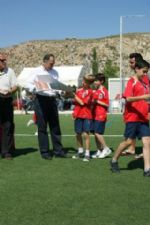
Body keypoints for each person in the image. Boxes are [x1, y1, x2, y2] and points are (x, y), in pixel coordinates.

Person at [110, 60, 150, 177]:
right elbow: (127, 99)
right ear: (137, 69)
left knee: (147, 142)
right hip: (132, 117)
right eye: (144, 71)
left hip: (143, 118)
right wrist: (144, 97)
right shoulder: (131, 82)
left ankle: (147, 169)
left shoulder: (145, 83)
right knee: (128, 142)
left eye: (147, 72)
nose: (145, 74)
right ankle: (114, 160)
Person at [24, 54, 65, 159]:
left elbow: (56, 86)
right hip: (40, 100)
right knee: (42, 127)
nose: (53, 65)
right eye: (51, 63)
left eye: (53, 63)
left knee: (55, 126)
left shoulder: (55, 72)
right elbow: (27, 84)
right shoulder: (36, 71)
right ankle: (45, 152)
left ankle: (58, 151)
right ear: (45, 61)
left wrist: (61, 91)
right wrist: (35, 89)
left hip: (52, 100)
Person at [72, 74, 95, 162]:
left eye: (84, 81)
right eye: (83, 80)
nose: (83, 82)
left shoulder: (91, 92)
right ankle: (80, 151)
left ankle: (87, 153)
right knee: (77, 133)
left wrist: (73, 95)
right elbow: (75, 102)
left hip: (86, 115)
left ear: (88, 83)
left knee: (86, 134)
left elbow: (82, 102)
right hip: (78, 114)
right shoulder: (79, 90)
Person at [0, 53, 17, 159]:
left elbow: (15, 85)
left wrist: (10, 91)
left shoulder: (10, 71)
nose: (4, 62)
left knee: (8, 125)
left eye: (5, 60)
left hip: (7, 99)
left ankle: (6, 151)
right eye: (2, 60)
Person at [91, 73, 111, 159]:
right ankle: (99, 150)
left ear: (101, 81)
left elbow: (107, 104)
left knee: (97, 133)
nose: (94, 82)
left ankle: (106, 149)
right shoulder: (96, 91)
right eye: (94, 80)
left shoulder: (104, 91)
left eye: (96, 80)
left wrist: (97, 101)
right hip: (94, 115)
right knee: (95, 133)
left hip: (101, 115)